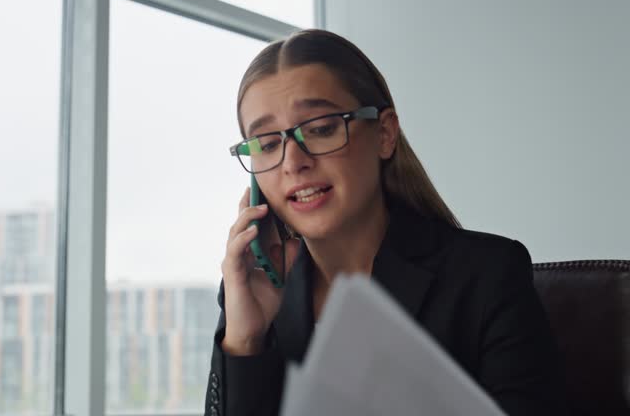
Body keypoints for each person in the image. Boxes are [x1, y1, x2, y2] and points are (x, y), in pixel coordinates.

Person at [204, 29, 569, 416]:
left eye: (322, 128)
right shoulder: (254, 291)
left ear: (384, 133)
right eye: (267, 143)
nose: (294, 162)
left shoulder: (489, 275)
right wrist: (244, 341)